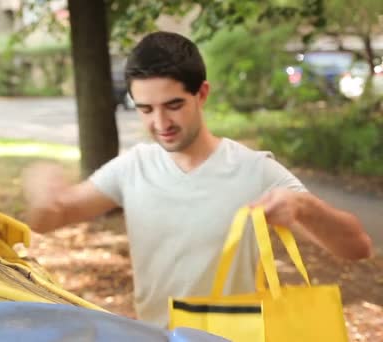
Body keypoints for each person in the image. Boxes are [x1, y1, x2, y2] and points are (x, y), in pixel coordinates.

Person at [22, 31, 373, 327]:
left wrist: (304, 207)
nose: (160, 123)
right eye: (146, 109)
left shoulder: (254, 169)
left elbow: (357, 248)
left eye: (173, 105)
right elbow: (55, 216)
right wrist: (42, 192)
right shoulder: (132, 167)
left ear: (201, 94)